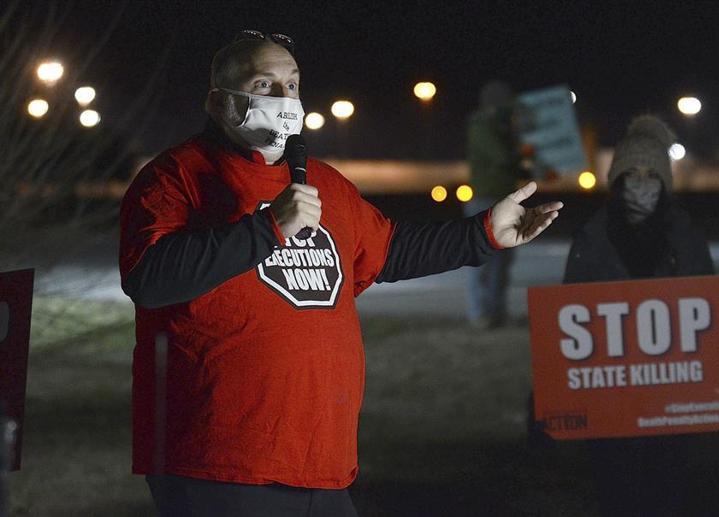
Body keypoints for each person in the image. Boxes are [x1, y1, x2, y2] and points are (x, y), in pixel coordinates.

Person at [119, 31, 562, 517]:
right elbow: (149, 278)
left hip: (322, 462)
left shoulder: (321, 182)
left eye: (292, 84)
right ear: (219, 102)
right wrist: (267, 229)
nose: (284, 98)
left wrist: (483, 234)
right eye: (264, 85)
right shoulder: (174, 177)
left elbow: (390, 250)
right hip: (218, 463)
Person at [563, 115, 714, 516]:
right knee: (617, 492)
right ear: (617, 180)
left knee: (667, 490)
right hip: (610, 404)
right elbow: (567, 318)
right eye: (632, 173)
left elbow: (710, 317)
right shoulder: (592, 237)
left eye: (652, 174)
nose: (642, 183)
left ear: (665, 182)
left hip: (671, 403)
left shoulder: (686, 237)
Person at [464, 80, 529, 329]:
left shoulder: (502, 127)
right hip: (486, 199)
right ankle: (480, 314)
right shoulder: (482, 126)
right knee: (482, 259)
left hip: (504, 198)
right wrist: (526, 151)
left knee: (502, 261)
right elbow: (501, 157)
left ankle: (496, 313)